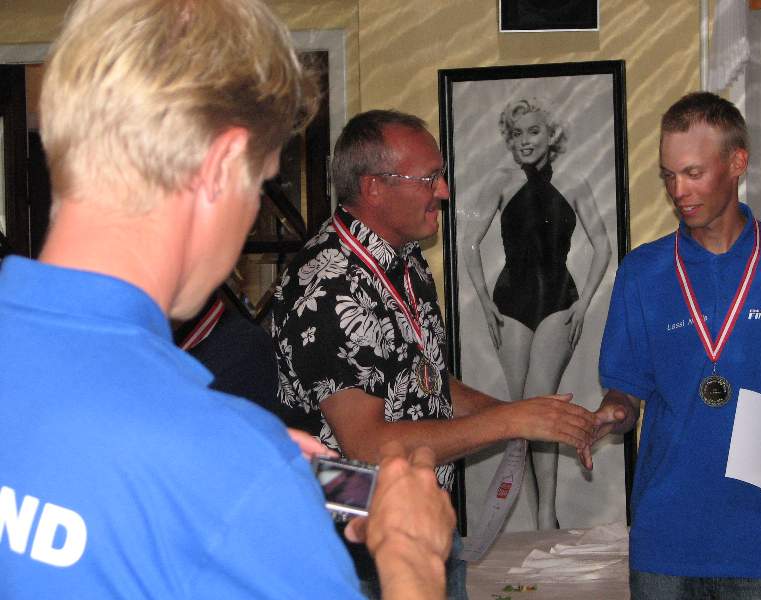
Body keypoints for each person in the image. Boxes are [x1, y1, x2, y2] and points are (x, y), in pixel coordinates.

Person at [0, 1, 456, 599]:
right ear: (219, 169)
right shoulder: (230, 464)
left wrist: (257, 468)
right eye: (259, 184)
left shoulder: (226, 461)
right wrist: (411, 557)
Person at [269, 109, 597, 598]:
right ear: (374, 187)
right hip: (355, 557)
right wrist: (511, 421)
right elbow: (366, 446)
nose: (443, 190)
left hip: (425, 528)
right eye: (429, 178)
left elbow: (427, 382)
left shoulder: (406, 260)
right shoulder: (329, 281)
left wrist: (530, 416)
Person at [583, 91, 761, 599]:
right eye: (668, 176)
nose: (678, 191)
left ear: (737, 162)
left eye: (693, 173)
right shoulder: (643, 270)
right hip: (667, 543)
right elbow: (627, 390)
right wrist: (612, 413)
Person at [463, 97, 611, 529]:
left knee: (541, 403)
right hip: (510, 302)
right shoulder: (500, 182)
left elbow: (603, 245)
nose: (525, 141)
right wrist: (485, 302)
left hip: (559, 300)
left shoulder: (575, 182)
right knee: (521, 410)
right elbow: (469, 243)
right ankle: (537, 516)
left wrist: (584, 302)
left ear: (551, 135)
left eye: (533, 131)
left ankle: (547, 514)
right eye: (517, 134)